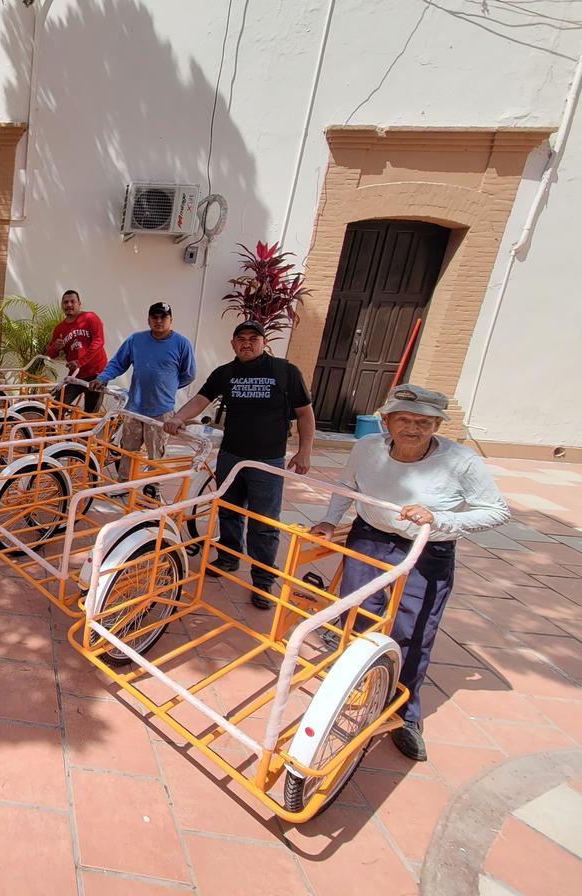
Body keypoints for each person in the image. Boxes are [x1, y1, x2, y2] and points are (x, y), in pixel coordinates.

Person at [309, 384, 509, 761]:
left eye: (423, 422)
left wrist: (442, 519)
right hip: (369, 538)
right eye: (404, 419)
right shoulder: (366, 448)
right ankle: (353, 684)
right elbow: (346, 486)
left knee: (412, 630)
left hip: (427, 549)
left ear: (436, 425)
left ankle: (405, 714)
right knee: (359, 613)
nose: (413, 429)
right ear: (386, 421)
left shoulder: (462, 461)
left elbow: (497, 511)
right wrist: (328, 520)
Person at [164, 320, 314, 610]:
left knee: (264, 522)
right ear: (233, 343)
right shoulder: (226, 373)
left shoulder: (285, 372)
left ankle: (263, 580)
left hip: (268, 461)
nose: (247, 343)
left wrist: (305, 450)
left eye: (253, 338)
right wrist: (178, 417)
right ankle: (230, 557)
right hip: (231, 455)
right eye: (241, 338)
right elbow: (200, 399)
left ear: (264, 342)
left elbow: (305, 413)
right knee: (229, 511)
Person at [90, 302, 195, 477]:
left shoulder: (182, 344)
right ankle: (125, 483)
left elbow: (189, 374)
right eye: (155, 317)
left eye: (164, 317)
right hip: (135, 407)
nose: (159, 320)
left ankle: (153, 490)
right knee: (128, 450)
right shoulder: (136, 340)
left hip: (161, 410)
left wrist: (168, 387)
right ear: (148, 319)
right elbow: (118, 363)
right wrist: (103, 377)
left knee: (156, 455)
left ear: (171, 320)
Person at [45, 289, 108, 412]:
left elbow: (99, 341)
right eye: (65, 302)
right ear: (62, 305)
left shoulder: (90, 317)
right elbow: (51, 354)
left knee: (89, 414)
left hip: (96, 374)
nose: (69, 305)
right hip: (75, 375)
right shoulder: (59, 328)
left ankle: (87, 430)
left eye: (72, 301)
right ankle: (54, 430)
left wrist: (80, 362)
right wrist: (55, 347)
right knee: (56, 407)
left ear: (79, 303)